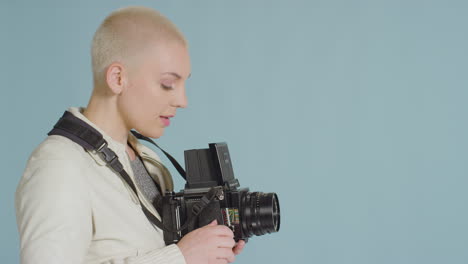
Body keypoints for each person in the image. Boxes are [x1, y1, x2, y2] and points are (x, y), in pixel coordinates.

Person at [15, 6, 245, 264]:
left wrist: (205, 247)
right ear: (117, 78)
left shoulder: (146, 160)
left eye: (184, 83)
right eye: (168, 84)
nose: (182, 100)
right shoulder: (59, 165)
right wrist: (180, 257)